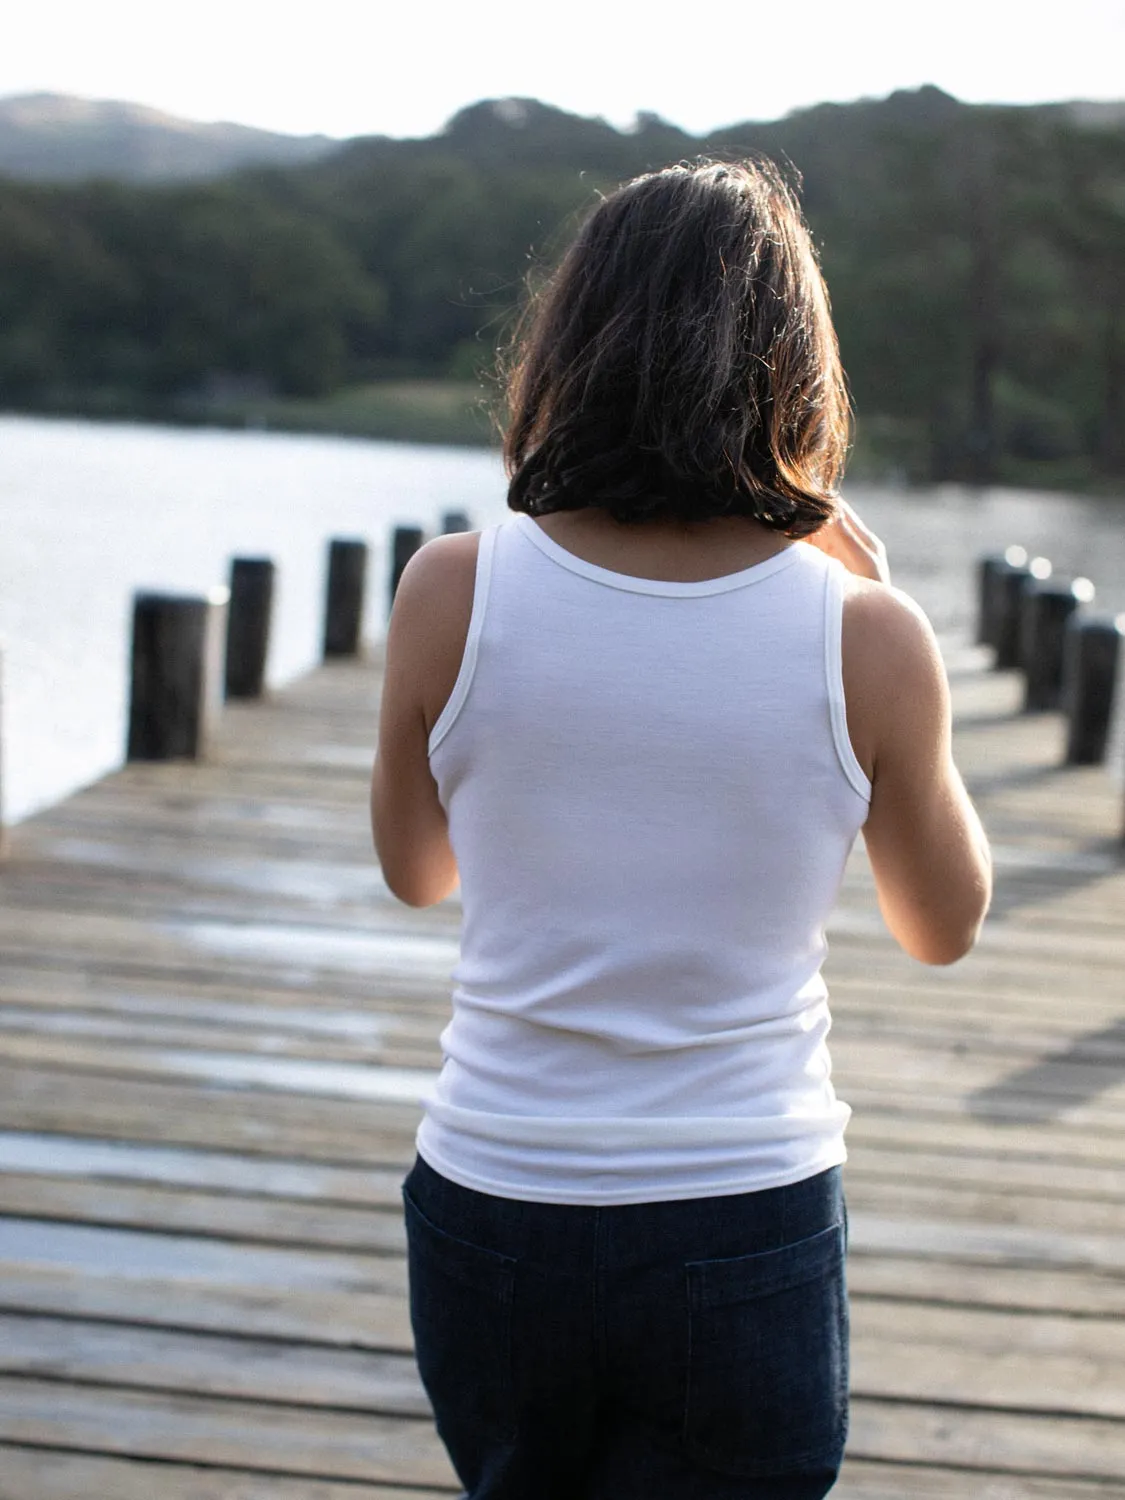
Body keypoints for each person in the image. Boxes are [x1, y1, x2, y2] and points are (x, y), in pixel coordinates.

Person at [371, 159, 992, 1500]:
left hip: (496, 1193)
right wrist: (880, 616)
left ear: (570, 348)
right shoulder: (866, 635)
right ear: (796, 368)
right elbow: (941, 928)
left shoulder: (450, 588)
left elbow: (418, 872)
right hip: (740, 1208)